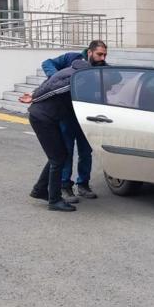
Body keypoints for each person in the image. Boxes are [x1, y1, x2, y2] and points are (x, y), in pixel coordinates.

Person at [19, 60, 91, 211]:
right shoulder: (72, 79)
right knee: (58, 158)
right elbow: (51, 88)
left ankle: (40, 190)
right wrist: (34, 97)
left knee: (59, 156)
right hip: (43, 118)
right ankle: (54, 200)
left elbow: (49, 83)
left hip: (46, 117)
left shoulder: (68, 72)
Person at [41, 40, 108, 201]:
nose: (102, 57)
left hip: (86, 116)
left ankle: (83, 184)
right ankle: (65, 186)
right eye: (99, 54)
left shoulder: (102, 67)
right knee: (67, 151)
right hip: (67, 114)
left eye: (105, 54)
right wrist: (55, 77)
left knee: (86, 152)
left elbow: (116, 78)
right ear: (90, 52)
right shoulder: (72, 58)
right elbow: (47, 63)